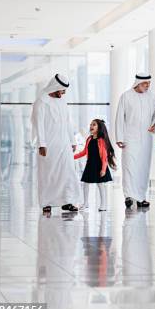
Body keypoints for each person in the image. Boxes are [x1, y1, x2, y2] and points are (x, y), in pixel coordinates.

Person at [31, 74, 81, 214]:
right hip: (48, 145)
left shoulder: (62, 102)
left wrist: (72, 141)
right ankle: (46, 203)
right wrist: (42, 144)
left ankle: (67, 201)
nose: (63, 93)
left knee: (68, 172)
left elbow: (68, 122)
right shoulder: (41, 102)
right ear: (56, 87)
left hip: (64, 143)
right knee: (48, 174)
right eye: (62, 90)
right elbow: (38, 124)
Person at [115, 73, 155, 209]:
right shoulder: (126, 96)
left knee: (143, 168)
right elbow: (119, 118)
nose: (147, 86)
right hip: (129, 138)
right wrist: (119, 137)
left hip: (146, 138)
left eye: (149, 83)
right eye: (145, 83)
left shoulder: (153, 98)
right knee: (129, 166)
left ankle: (141, 197)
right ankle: (129, 196)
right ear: (138, 83)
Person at [74, 119, 116, 211]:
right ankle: (85, 203)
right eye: (90, 125)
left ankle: (103, 205)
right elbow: (84, 152)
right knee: (85, 183)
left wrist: (104, 169)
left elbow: (104, 157)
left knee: (100, 185)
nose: (91, 126)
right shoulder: (89, 139)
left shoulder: (101, 141)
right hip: (90, 164)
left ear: (99, 127)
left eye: (94, 125)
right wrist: (73, 157)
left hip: (99, 165)